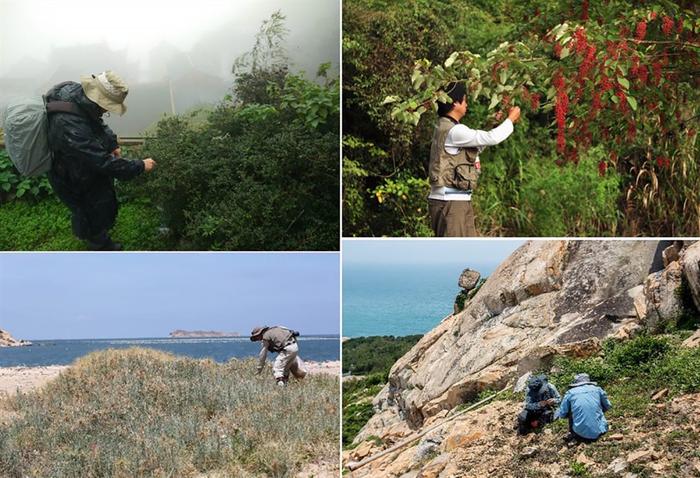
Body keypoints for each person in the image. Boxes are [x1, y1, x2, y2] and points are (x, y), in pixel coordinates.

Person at [45, 70, 157, 251]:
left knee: (97, 204)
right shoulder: (68, 124)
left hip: (78, 165)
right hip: (70, 175)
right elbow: (102, 162)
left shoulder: (78, 97)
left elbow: (97, 123)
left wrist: (112, 143)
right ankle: (98, 245)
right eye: (108, 106)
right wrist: (140, 165)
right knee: (88, 209)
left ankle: (97, 234)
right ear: (98, 99)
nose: (107, 110)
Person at [428, 81, 521, 237]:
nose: (467, 104)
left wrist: (494, 123)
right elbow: (491, 138)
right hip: (451, 203)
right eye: (464, 100)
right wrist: (510, 119)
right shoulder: (455, 131)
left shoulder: (445, 126)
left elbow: (477, 145)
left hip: (455, 201)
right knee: (455, 252)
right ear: (455, 103)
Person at [554, 373, 612, 443]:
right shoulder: (597, 389)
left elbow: (562, 413)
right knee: (597, 404)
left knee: (570, 409)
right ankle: (596, 423)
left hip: (580, 434)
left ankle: (573, 432)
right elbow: (608, 406)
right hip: (601, 431)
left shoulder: (570, 393)